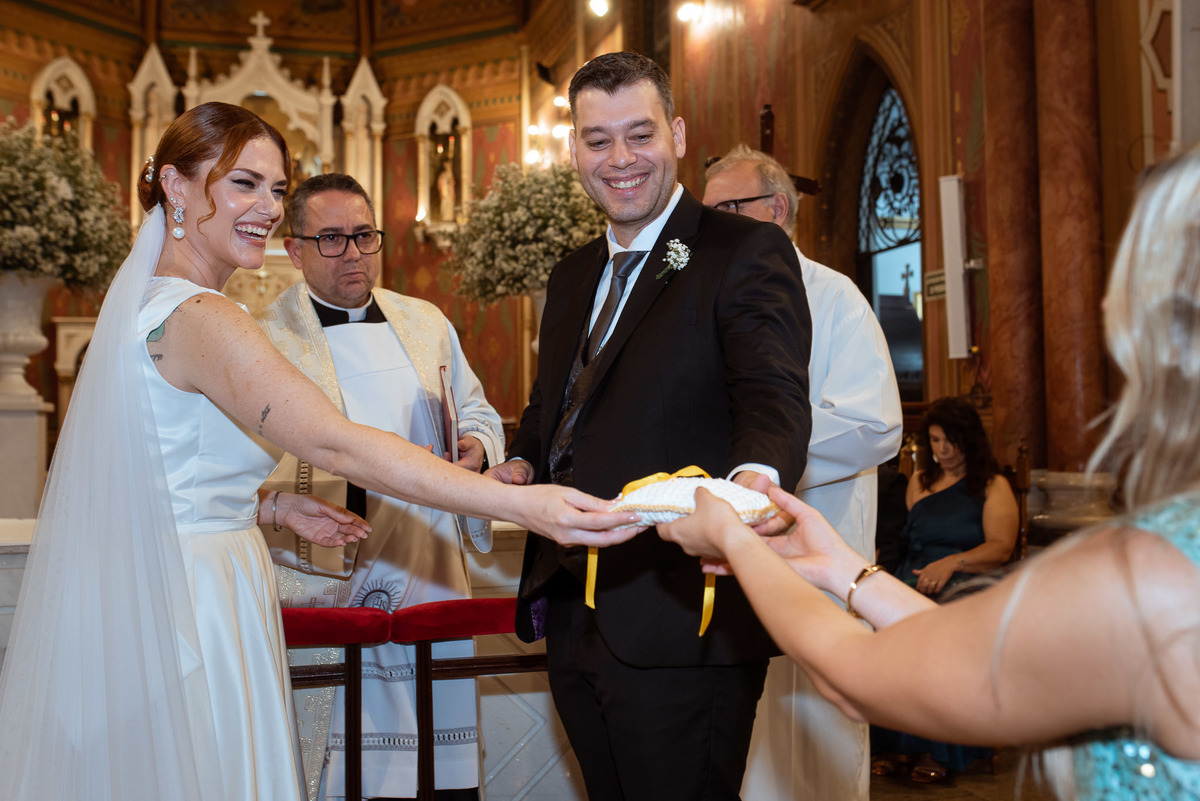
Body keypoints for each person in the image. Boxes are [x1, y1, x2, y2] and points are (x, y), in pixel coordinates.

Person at [0, 101, 639, 801]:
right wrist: (520, 500)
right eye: (243, 183)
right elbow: (339, 443)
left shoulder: (150, 306)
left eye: (276, 188)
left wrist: (271, 505)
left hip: (175, 578)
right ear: (177, 187)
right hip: (199, 601)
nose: (267, 207)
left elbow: (151, 471)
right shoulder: (203, 316)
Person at [658, 143, 1200, 801]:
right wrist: (841, 569)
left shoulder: (1155, 572)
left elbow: (861, 673)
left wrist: (739, 534)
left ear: (1156, 326)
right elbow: (964, 649)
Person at [486, 53, 813, 800]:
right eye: (597, 140)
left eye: (640, 134)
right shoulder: (572, 274)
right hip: (575, 606)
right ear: (574, 149)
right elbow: (555, 413)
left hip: (681, 613)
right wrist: (517, 465)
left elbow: (772, 395)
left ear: (678, 132)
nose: (621, 159)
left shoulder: (742, 252)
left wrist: (753, 488)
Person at [255, 172, 502, 801]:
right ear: (295, 249)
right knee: (344, 758)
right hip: (330, 563)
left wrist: (476, 447)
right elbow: (246, 462)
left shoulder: (424, 323)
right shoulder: (265, 340)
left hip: (430, 559)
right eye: (331, 239)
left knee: (437, 741)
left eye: (364, 235)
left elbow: (475, 411)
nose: (354, 254)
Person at [702, 145, 902, 801]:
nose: (715, 226)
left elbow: (877, 425)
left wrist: (762, 459)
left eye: (729, 209)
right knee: (747, 743)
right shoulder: (710, 300)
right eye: (708, 214)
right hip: (733, 559)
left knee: (818, 734)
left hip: (820, 553)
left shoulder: (835, 297)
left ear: (778, 209)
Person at [871, 396, 1018, 781]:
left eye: (951, 440)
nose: (944, 450)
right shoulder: (919, 482)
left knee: (939, 637)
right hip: (914, 575)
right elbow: (903, 540)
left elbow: (1001, 548)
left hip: (970, 577)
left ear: (970, 439)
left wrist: (951, 562)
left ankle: (938, 749)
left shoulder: (992, 485)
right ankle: (895, 743)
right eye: (936, 441)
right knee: (886, 629)